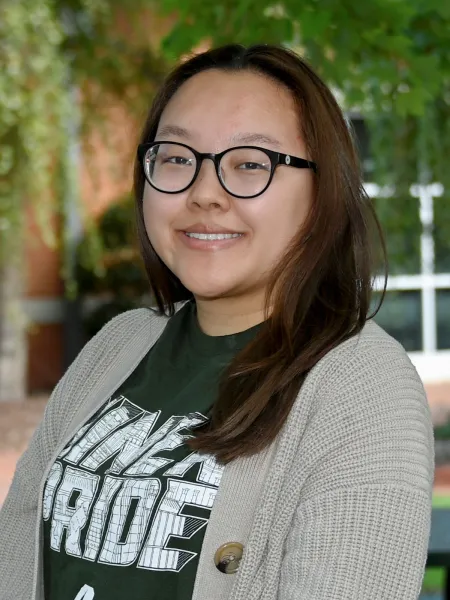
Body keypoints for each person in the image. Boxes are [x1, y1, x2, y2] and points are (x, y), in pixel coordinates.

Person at [0, 44, 434, 600]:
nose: (205, 193)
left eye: (251, 163)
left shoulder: (362, 385)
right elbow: (16, 551)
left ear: (321, 192)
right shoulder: (118, 344)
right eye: (178, 157)